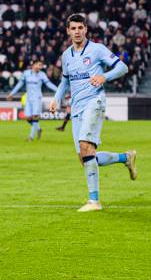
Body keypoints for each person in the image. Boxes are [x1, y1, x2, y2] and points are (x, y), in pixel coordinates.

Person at [50, 13, 137, 212]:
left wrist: (104, 76)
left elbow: (122, 67)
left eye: (80, 28)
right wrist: (56, 98)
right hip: (76, 107)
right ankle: (126, 157)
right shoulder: (66, 56)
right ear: (68, 31)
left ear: (86, 29)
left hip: (94, 102)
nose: (77, 32)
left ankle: (94, 201)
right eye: (73, 28)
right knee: (85, 157)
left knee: (85, 147)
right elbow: (65, 81)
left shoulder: (97, 49)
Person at [7, 59, 58, 141]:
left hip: (37, 98)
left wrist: (58, 90)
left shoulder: (42, 74)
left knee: (35, 116)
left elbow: (48, 84)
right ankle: (38, 129)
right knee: (27, 117)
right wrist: (12, 93)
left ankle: (31, 137)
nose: (40, 67)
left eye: (41, 65)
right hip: (28, 98)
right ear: (33, 65)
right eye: (39, 65)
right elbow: (20, 84)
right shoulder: (26, 73)